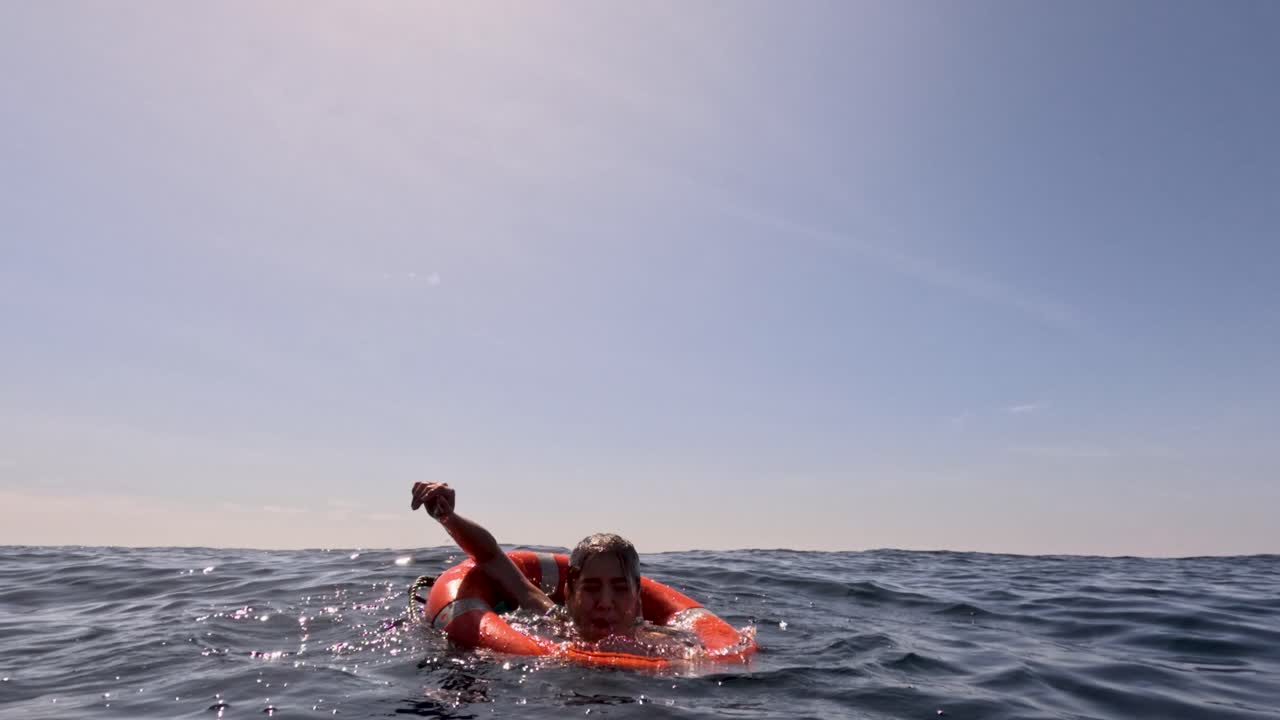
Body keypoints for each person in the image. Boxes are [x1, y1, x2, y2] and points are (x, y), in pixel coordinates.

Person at [411, 482, 699, 653]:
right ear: (569, 592)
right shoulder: (553, 623)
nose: (605, 603)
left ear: (638, 598)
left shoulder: (665, 645)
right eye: (592, 587)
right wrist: (448, 516)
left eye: (621, 589)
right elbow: (490, 557)